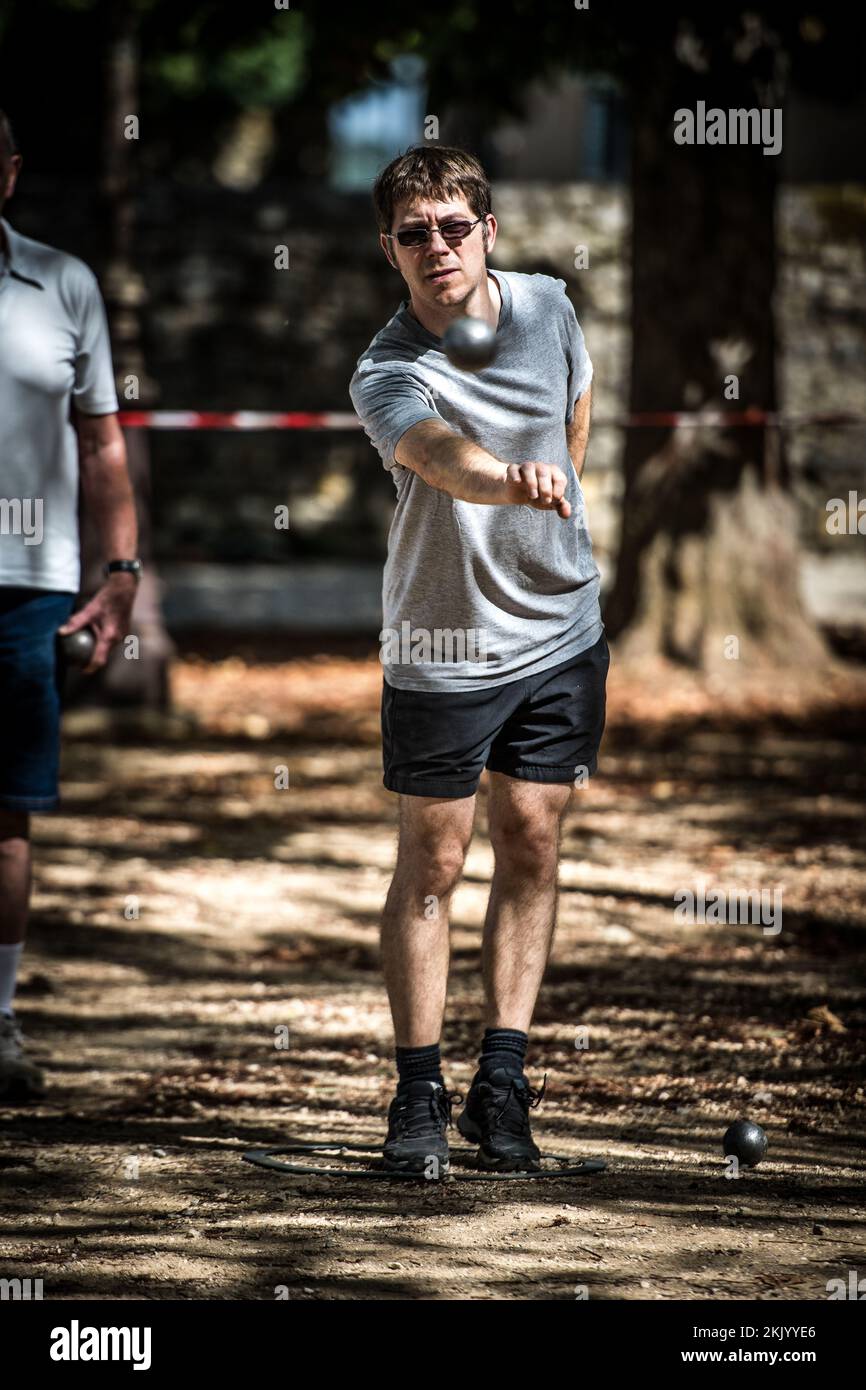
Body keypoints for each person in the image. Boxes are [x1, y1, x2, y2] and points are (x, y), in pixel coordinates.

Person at [349, 145, 610, 1173]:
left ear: (486, 230)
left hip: (558, 629)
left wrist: (558, 501)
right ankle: (417, 1091)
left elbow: (577, 405)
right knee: (436, 860)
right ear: (389, 249)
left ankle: (500, 1085)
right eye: (412, 233)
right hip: (440, 644)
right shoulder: (387, 367)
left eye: (453, 226)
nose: (435, 247)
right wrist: (513, 483)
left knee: (533, 839)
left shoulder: (547, 308)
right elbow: (437, 458)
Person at [0, 109, 143, 1100]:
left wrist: (120, 571)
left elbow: (101, 446)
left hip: (25, 585)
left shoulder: (63, 283)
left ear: (8, 173)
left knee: (7, 815)